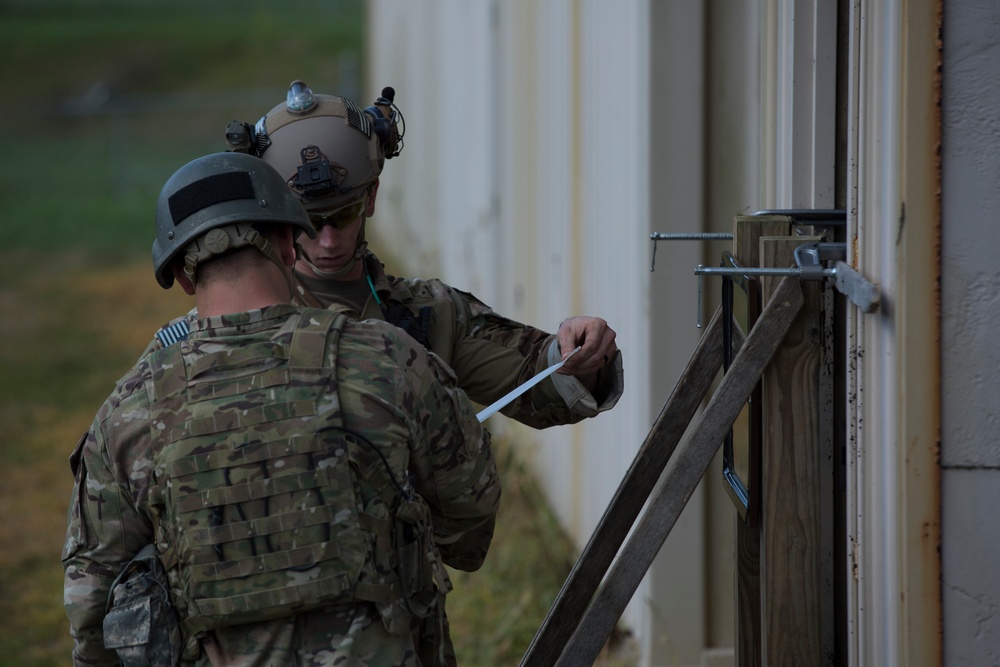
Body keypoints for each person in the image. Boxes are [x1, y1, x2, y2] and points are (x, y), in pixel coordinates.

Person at [62, 151, 501, 666]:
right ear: (291, 245)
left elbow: (93, 604)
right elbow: (470, 507)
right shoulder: (389, 360)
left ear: (182, 275)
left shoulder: (128, 413)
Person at [146, 80, 623, 430]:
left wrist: (577, 355)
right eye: (312, 222)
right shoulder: (212, 333)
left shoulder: (431, 318)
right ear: (279, 222)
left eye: (345, 213)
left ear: (371, 198)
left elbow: (534, 380)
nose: (329, 240)